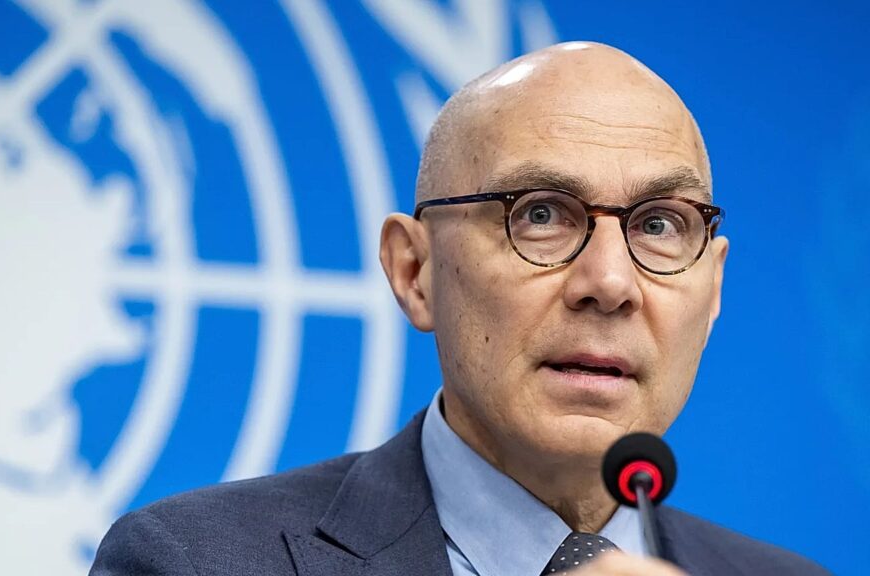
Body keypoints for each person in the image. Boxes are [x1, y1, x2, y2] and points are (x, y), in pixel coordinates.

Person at [89, 42, 829, 576]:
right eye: (540, 214)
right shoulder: (191, 561)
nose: (610, 282)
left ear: (713, 289)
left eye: (660, 225)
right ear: (415, 272)